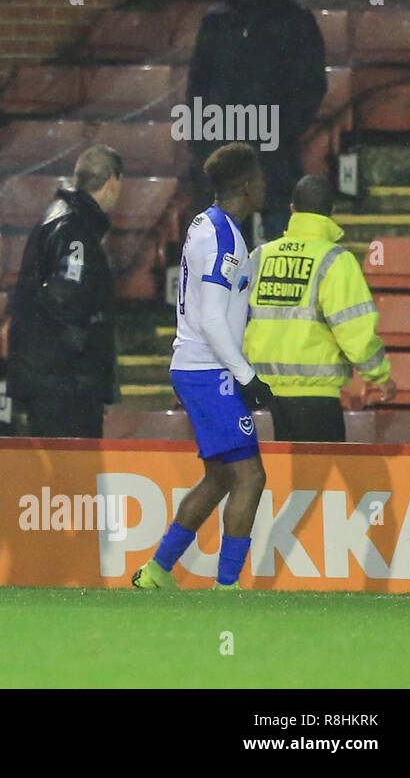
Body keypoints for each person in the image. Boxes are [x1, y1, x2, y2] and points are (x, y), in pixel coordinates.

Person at [133, 143, 274, 591]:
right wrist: (246, 376)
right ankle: (227, 588)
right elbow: (213, 317)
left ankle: (156, 570)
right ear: (248, 185)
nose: (266, 186)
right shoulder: (225, 237)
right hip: (209, 369)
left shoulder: (206, 223)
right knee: (251, 476)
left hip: (197, 365)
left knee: (219, 477)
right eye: (261, 179)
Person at [186, 0, 327, 241]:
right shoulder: (215, 21)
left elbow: (311, 83)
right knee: (225, 251)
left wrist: (284, 130)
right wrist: (201, 142)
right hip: (222, 150)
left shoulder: (295, 20)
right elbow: (197, 86)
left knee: (279, 235)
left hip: (275, 151)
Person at [243, 175, 396, 442]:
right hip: (316, 396)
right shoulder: (336, 261)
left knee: (284, 481)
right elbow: (354, 329)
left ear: (293, 209)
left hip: (266, 394)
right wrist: (379, 375)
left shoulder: (260, 256)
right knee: (320, 480)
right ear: (332, 212)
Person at [7, 145, 123, 439]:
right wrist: (88, 360)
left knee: (57, 479)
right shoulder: (76, 228)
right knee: (72, 476)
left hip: (49, 379)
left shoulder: (59, 216)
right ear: (112, 181)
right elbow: (66, 298)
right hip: (65, 384)